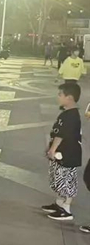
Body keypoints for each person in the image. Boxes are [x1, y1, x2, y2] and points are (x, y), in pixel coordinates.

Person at [42, 82, 82, 221]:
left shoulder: (71, 115)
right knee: (58, 178)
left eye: (60, 95)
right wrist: (50, 147)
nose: (58, 97)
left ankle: (66, 209)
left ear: (69, 97)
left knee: (67, 180)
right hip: (62, 153)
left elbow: (61, 134)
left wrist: (52, 149)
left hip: (68, 154)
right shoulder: (67, 113)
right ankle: (59, 203)